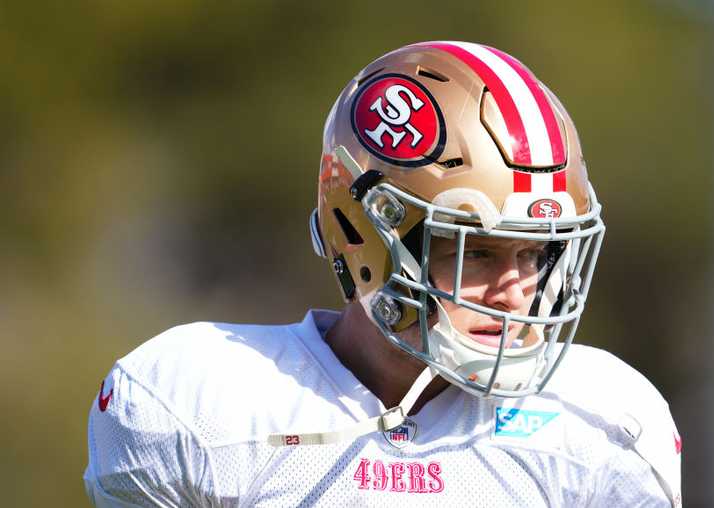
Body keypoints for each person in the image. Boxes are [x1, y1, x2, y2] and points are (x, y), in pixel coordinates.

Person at [84, 41, 682, 507]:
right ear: (364, 232)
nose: (517, 291)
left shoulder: (600, 422)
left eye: (533, 255)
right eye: (476, 252)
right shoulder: (199, 405)